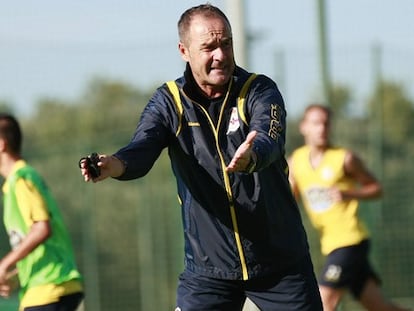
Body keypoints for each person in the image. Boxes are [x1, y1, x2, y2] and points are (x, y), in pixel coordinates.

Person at [80, 4, 322, 310]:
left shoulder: (259, 89)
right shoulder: (169, 102)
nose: (220, 55)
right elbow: (142, 148)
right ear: (184, 51)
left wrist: (253, 155)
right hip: (209, 272)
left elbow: (268, 135)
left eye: (226, 44)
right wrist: (114, 165)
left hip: (281, 264)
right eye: (208, 47)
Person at [288, 104, 410, 311]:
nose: (322, 129)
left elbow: (376, 188)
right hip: (331, 244)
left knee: (324, 302)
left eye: (326, 123)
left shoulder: (344, 158)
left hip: (350, 241)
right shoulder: (296, 161)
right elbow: (290, 200)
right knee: (380, 306)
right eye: (316, 123)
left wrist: (348, 193)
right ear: (304, 127)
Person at [0, 113, 84, 311]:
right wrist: (18, 275)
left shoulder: (21, 179)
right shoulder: (15, 183)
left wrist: (4, 264)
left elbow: (41, 229)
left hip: (50, 287)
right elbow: (37, 242)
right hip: (43, 287)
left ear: (1, 144)